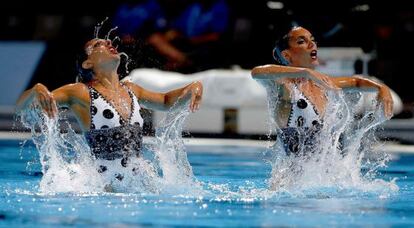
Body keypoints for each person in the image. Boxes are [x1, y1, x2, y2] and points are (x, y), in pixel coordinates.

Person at [16, 38, 203, 190]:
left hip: (141, 183)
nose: (108, 44)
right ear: (88, 63)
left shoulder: (131, 89)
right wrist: (35, 90)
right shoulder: (81, 92)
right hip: (104, 189)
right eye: (98, 45)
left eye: (108, 42)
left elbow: (166, 102)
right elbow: (21, 108)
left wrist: (194, 86)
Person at [251, 26, 393, 156]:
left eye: (312, 40)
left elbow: (357, 81)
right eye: (301, 41)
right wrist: (305, 72)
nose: (312, 44)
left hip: (321, 178)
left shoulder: (323, 85)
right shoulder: (285, 86)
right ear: (287, 56)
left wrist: (383, 89)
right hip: (291, 182)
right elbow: (258, 72)